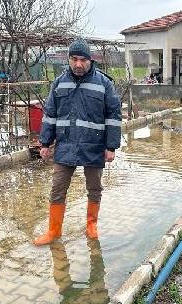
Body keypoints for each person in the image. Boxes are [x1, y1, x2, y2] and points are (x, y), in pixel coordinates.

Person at [34, 40, 122, 245]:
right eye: (74, 59)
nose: (79, 64)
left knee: (94, 188)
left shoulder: (104, 84)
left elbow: (113, 116)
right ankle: (53, 232)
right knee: (57, 189)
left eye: (83, 60)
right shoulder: (59, 83)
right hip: (65, 145)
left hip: (94, 145)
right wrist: (45, 143)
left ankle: (91, 225)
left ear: (90, 61)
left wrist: (111, 147)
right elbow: (50, 115)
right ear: (69, 59)